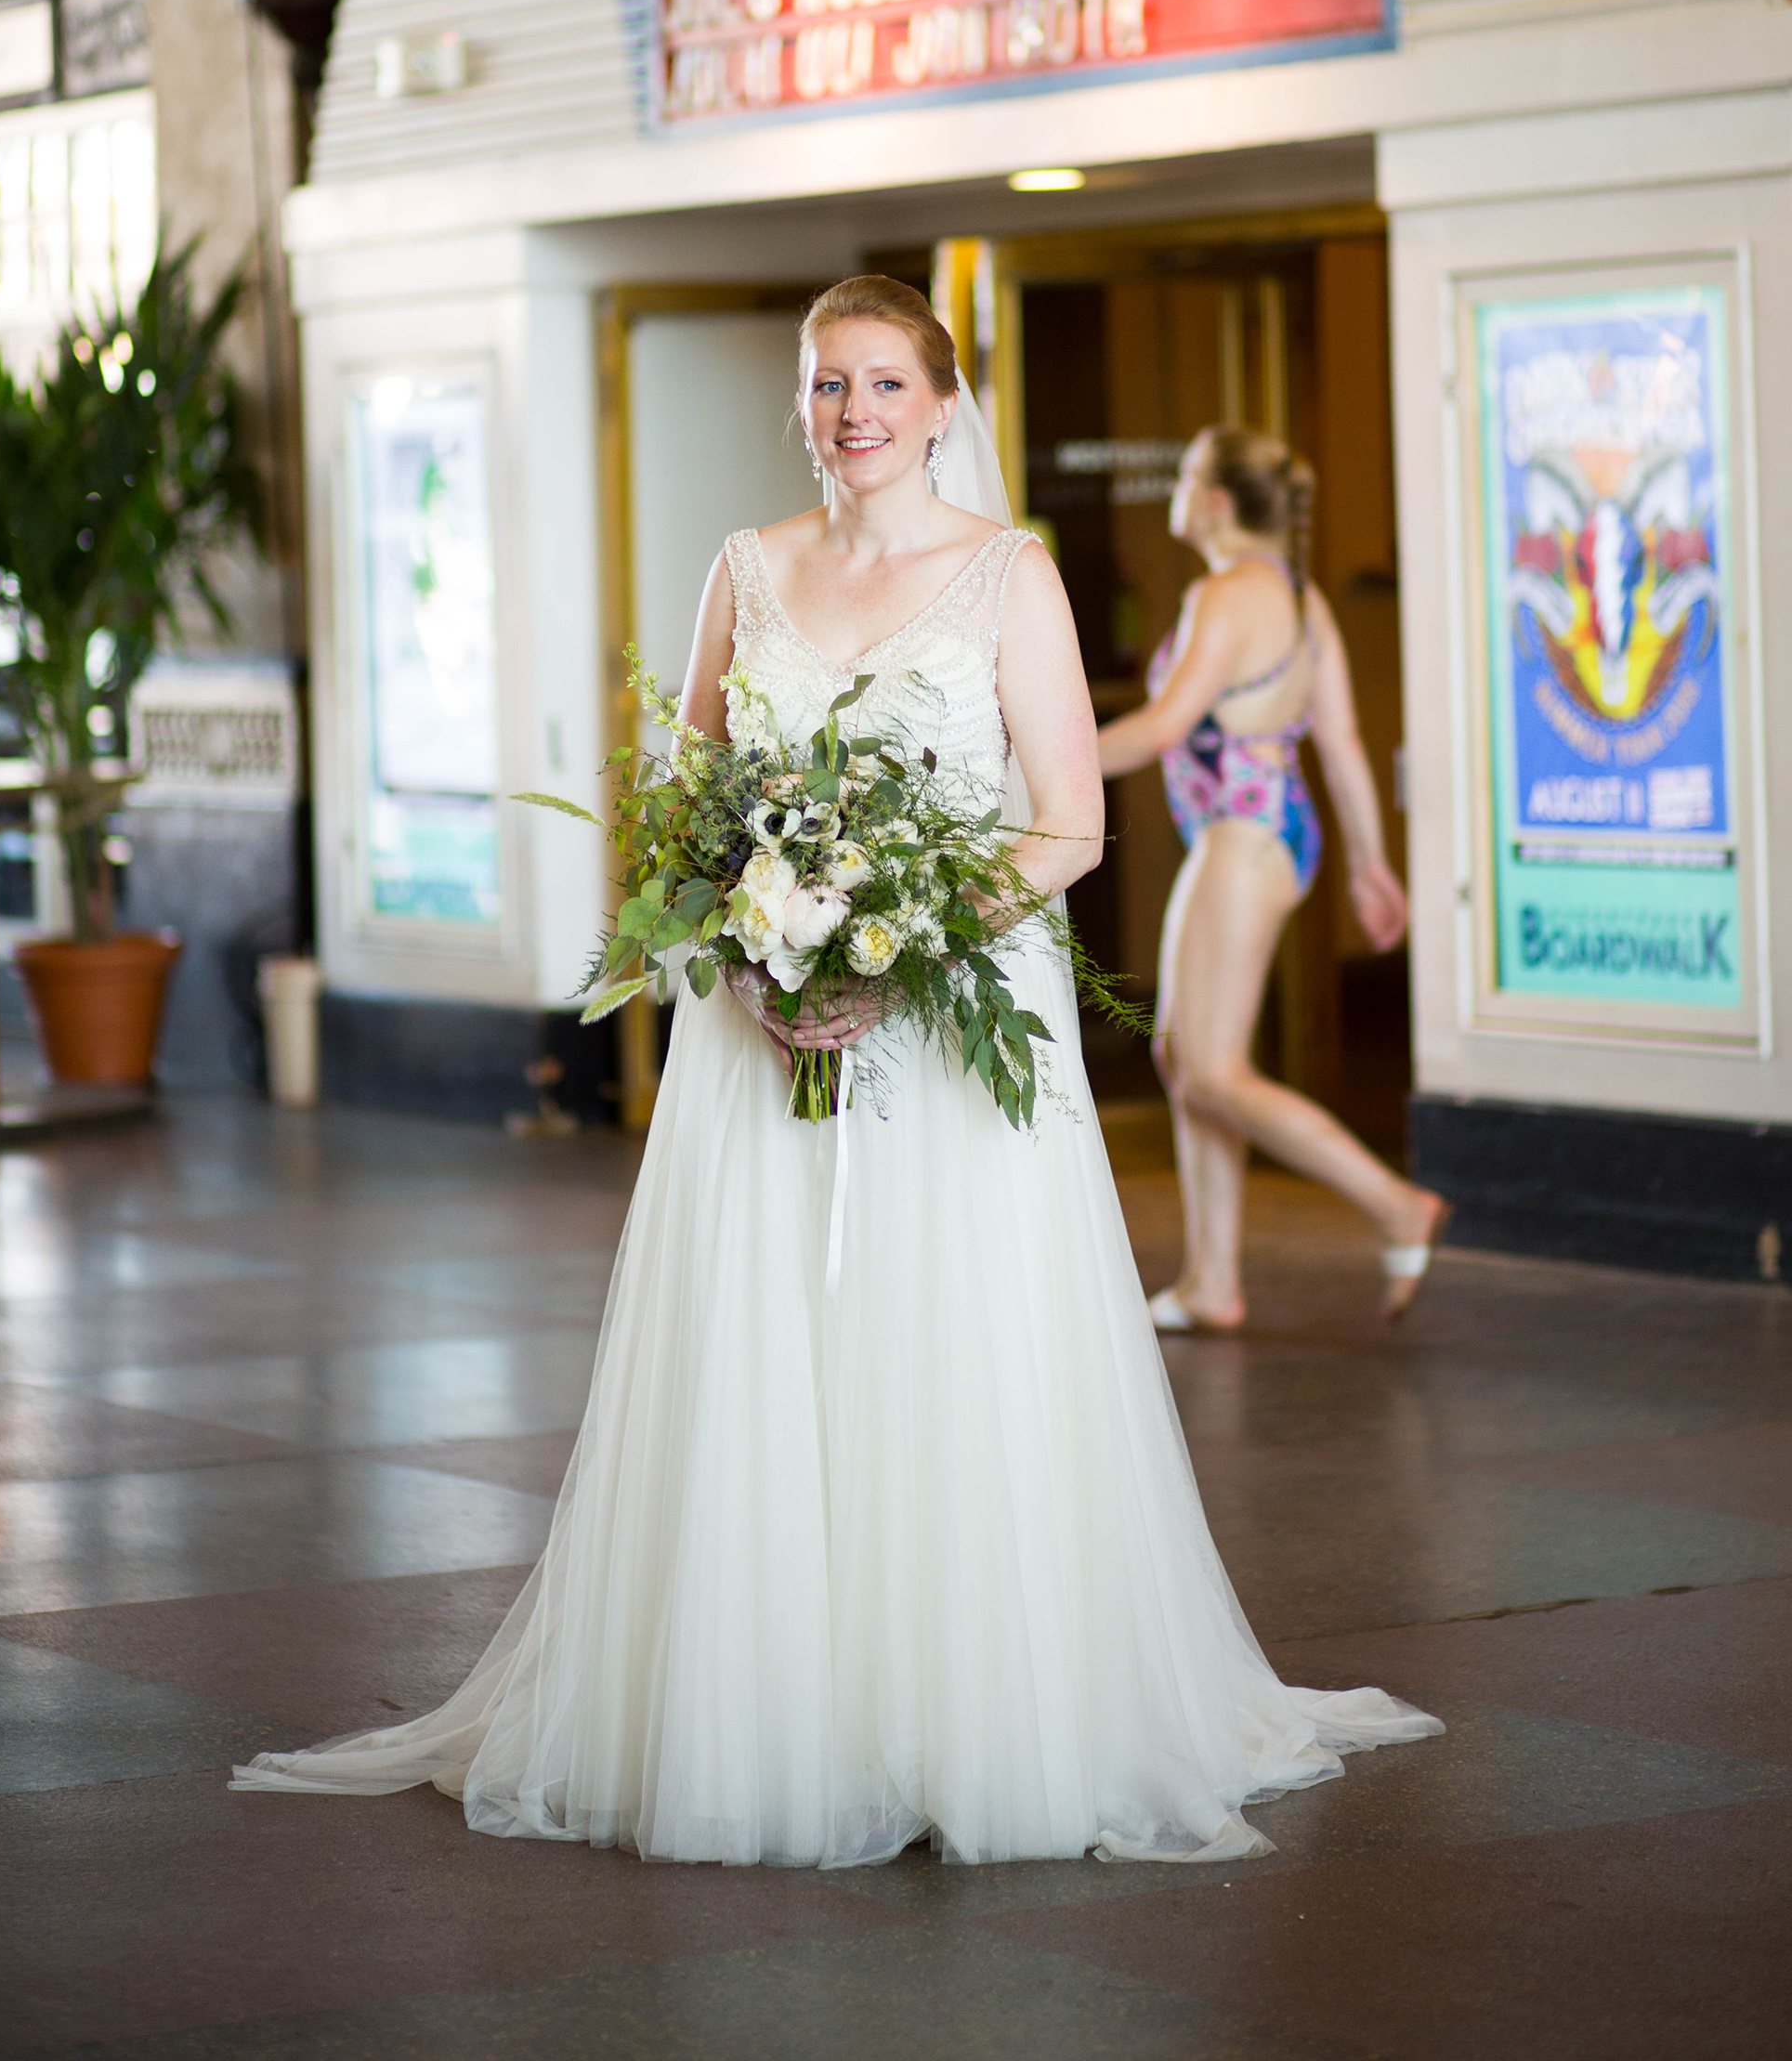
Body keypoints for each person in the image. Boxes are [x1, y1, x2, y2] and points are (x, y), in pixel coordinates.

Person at [233, 280, 1439, 1864]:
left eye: (883, 382)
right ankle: (777, 1711)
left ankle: (974, 1712)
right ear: (802, 407)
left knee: (951, 1345)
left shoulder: (1009, 577)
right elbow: (687, 798)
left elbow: (1068, 823)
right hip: (760, 1037)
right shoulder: (747, 568)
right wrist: (755, 950)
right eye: (827, 385)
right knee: (773, 1347)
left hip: (948, 1030)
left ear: (942, 405)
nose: (854, 411)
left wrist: (896, 945)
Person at [1096, 425, 1448, 1334]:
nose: (1173, 490)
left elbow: (1163, 726)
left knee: (1207, 1068)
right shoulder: (1297, 593)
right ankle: (1211, 1280)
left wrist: (1031, 766)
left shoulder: (1224, 593)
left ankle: (1392, 1204)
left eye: (1182, 475)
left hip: (1239, 839)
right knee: (1186, 1058)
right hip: (1277, 837)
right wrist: (1368, 864)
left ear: (1213, 502)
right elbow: (1338, 744)